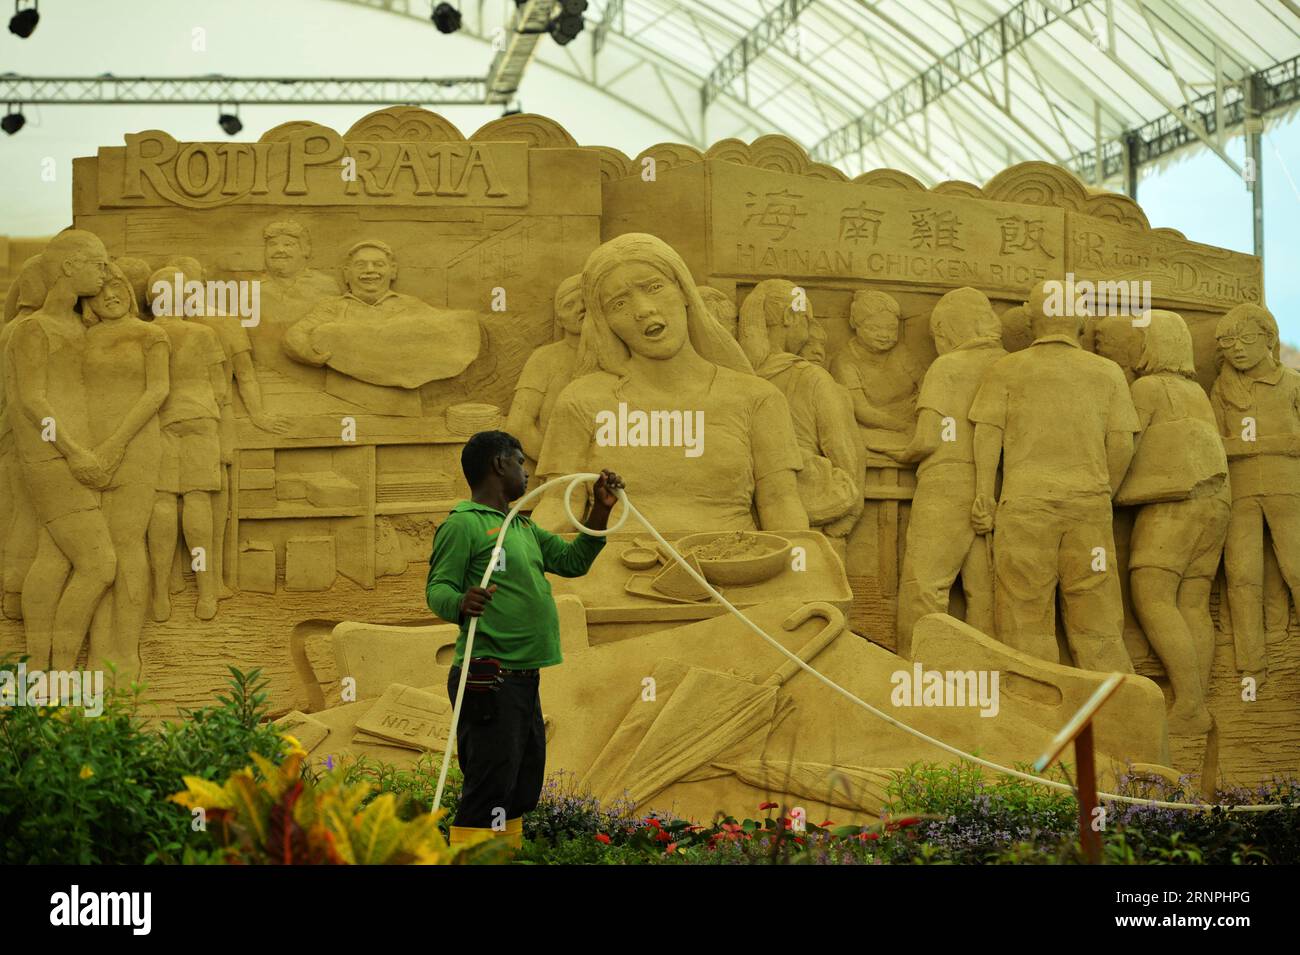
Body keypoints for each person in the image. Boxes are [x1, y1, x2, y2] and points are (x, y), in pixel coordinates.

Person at [531, 232, 807, 533]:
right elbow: (559, 503)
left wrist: (799, 569)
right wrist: (514, 562)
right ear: (605, 323)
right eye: (619, 304)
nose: (642, 309)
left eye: (654, 287)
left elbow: (780, 504)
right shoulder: (582, 400)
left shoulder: (757, 398)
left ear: (684, 291)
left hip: (730, 569)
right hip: (609, 567)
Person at [425, 430, 623, 849]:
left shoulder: (523, 528)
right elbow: (436, 589)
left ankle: (502, 855)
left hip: (522, 677)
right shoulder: (463, 525)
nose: (527, 472)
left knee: (519, 783)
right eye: (520, 461)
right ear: (499, 465)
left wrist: (599, 511)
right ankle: (472, 859)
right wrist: (461, 601)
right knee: (491, 784)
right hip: (487, 676)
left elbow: (573, 562)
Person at [968, 280, 1138, 672]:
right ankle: (1117, 721)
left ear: (1030, 318)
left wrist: (983, 496)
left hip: (1025, 509)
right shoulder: (1107, 373)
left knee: (1024, 623)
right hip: (1089, 512)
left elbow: (988, 435)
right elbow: (1123, 444)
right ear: (1080, 318)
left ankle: (1036, 716)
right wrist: (1102, 492)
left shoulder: (1006, 370)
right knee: (1098, 624)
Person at [3, 230, 116, 670]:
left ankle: (37, 671)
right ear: (70, 265)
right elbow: (33, 401)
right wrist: (74, 453)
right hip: (53, 460)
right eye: (98, 264)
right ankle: (62, 667)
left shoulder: (75, 325)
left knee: (52, 558)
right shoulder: (33, 329)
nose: (105, 273)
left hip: (73, 455)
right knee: (99, 564)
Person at [1126, 310, 1229, 734]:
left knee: (1151, 593)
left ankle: (1187, 701)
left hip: (1175, 503)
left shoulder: (1149, 388)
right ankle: (1195, 703)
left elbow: (1124, 444)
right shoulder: (1197, 393)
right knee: (1192, 602)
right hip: (1217, 503)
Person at [888, 287, 1005, 653]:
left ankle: (920, 671)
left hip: (948, 479)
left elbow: (928, 438)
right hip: (999, 483)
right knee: (983, 588)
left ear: (949, 329)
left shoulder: (948, 367)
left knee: (923, 584)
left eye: (938, 334)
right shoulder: (1009, 365)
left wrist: (896, 452)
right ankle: (986, 677)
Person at [83, 262, 170, 680]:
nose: (111, 295)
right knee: (97, 555)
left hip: (134, 443)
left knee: (127, 543)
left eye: (117, 286)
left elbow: (157, 391)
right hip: (90, 449)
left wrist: (117, 441)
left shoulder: (150, 334)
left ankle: (129, 651)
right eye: (100, 291)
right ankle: (100, 651)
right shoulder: (83, 338)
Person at [1211, 303, 1300, 689]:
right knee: (1242, 574)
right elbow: (1214, 444)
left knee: (1295, 566)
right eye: (1228, 342)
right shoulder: (1222, 388)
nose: (1238, 349)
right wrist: (1273, 444)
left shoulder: (1293, 383)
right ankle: (1251, 667)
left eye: (1247, 340)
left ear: (1268, 339)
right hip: (1241, 491)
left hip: (1288, 488)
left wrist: (1257, 445)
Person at [737, 279, 861, 539]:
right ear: (789, 316)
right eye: (807, 320)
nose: (808, 329)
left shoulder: (738, 378)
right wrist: (850, 508)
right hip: (805, 509)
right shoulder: (811, 378)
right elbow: (842, 448)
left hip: (746, 512)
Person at [146, 266, 227, 622]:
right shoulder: (203, 333)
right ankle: (206, 592)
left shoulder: (144, 334)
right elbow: (221, 389)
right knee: (197, 504)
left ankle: (160, 592)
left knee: (162, 504)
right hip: (199, 418)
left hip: (158, 422)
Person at [506, 274, 585, 463]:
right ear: (559, 320)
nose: (581, 308)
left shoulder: (624, 356)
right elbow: (518, 426)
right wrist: (561, 465)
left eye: (586, 300)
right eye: (569, 305)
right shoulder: (545, 358)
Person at [830, 289, 922, 445]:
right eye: (874, 328)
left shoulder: (901, 353)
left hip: (913, 423)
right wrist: (903, 426)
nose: (884, 335)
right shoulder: (845, 362)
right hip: (876, 431)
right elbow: (861, 410)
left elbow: (925, 383)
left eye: (891, 329)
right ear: (855, 324)